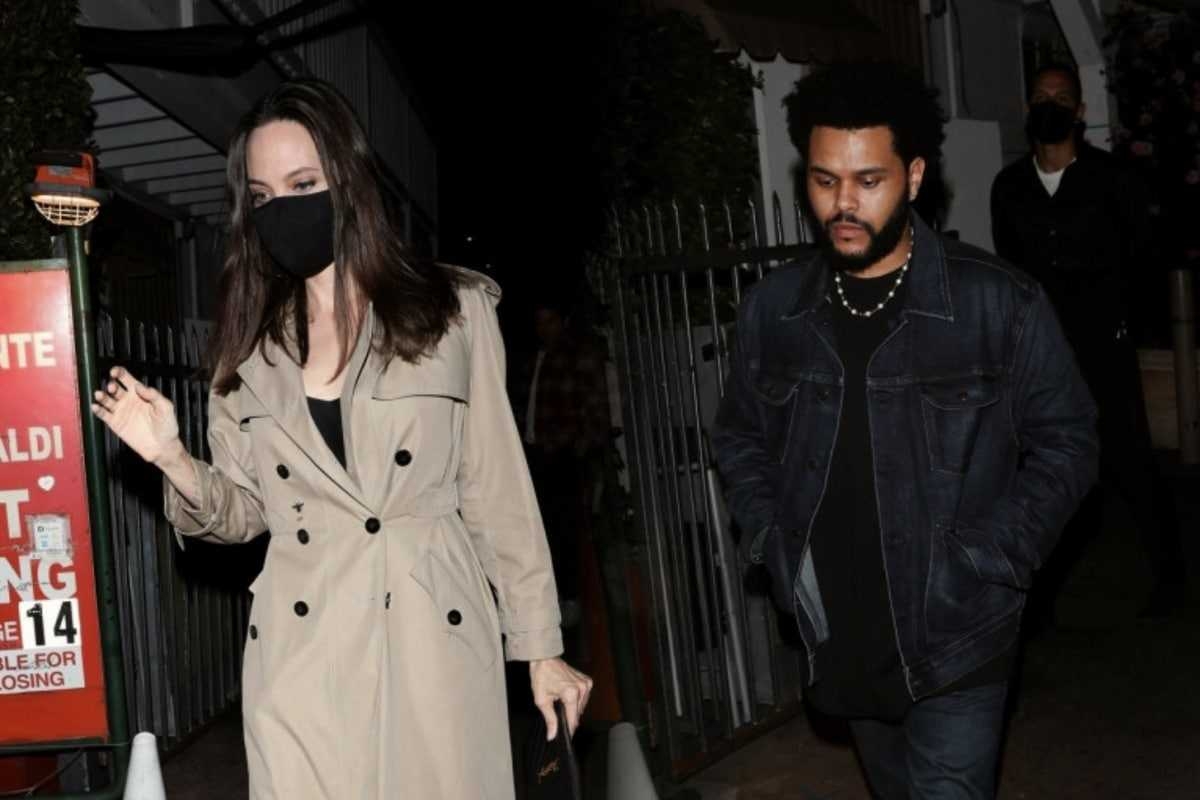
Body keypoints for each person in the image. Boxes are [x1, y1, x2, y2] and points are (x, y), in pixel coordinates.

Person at [90, 78, 592, 800]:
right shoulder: (247, 348)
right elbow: (244, 514)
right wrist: (170, 456)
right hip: (303, 647)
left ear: (348, 181)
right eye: (262, 196)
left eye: (303, 184)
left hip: (431, 629)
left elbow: (496, 489)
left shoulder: (450, 311)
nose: (283, 209)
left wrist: (540, 646)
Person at [712, 62, 1098, 799]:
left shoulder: (997, 304)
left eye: (868, 180)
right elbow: (739, 436)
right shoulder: (775, 311)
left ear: (914, 177)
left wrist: (992, 555)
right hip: (841, 633)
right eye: (825, 181)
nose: (843, 204)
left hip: (959, 633)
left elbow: (1070, 440)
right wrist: (773, 538)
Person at [991, 62, 1187, 620]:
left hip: (1104, 346)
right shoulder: (1009, 188)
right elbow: (1011, 272)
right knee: (1042, 470)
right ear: (1027, 108)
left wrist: (1124, 322)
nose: (1049, 105)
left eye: (1061, 97)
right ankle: (1036, 594)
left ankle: (1171, 575)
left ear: (1078, 111)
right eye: (1040, 96)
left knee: (1129, 460)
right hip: (1041, 355)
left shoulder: (1113, 180)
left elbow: (1144, 259)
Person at [513, 295, 609, 621]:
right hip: (535, 453)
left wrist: (582, 446)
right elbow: (524, 403)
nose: (544, 329)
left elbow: (595, 405)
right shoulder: (534, 357)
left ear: (563, 322)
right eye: (539, 323)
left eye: (550, 321)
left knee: (565, 528)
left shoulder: (577, 354)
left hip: (563, 453)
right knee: (541, 527)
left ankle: (571, 596)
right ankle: (551, 596)